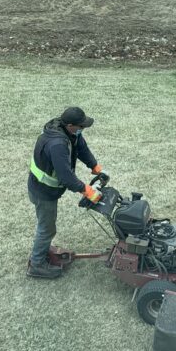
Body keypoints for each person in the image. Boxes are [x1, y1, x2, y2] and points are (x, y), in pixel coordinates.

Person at [27, 106, 107, 279]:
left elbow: (81, 148)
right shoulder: (57, 144)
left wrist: (94, 166)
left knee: (46, 227)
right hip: (43, 192)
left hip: (47, 189)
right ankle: (37, 264)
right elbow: (66, 177)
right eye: (81, 127)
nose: (82, 130)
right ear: (70, 125)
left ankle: (42, 249)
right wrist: (87, 191)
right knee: (46, 228)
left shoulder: (69, 133)